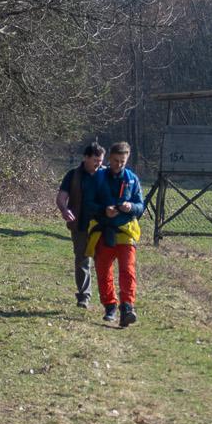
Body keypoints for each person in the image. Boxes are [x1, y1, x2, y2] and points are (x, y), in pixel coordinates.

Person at [87, 140, 145, 327]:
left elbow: (140, 206)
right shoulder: (98, 178)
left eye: (122, 161)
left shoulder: (132, 179)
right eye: (115, 161)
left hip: (126, 231)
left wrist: (131, 207)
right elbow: (88, 203)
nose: (119, 165)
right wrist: (104, 210)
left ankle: (127, 307)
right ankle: (110, 306)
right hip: (103, 230)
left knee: (127, 270)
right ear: (109, 159)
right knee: (103, 271)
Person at [55, 142, 105, 308]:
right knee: (82, 261)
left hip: (102, 226)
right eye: (95, 160)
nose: (98, 164)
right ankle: (84, 296)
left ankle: (107, 298)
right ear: (85, 158)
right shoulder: (73, 175)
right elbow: (61, 197)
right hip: (80, 225)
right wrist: (64, 210)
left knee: (103, 261)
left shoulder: (106, 175)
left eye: (101, 160)